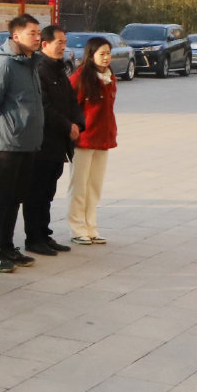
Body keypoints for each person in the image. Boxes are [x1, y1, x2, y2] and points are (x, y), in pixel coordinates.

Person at [0, 14, 44, 272]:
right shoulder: (5, 65)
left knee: (16, 197)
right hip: (7, 143)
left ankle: (6, 246)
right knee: (1, 197)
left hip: (27, 142)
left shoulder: (30, 63)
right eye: (32, 33)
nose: (37, 38)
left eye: (38, 33)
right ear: (16, 36)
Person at [23, 25, 79, 258]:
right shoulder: (39, 69)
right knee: (36, 192)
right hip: (42, 142)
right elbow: (43, 107)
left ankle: (44, 234)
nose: (63, 47)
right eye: (59, 42)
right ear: (45, 44)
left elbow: (71, 101)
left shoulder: (58, 69)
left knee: (48, 192)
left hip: (58, 143)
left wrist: (77, 123)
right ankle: (33, 238)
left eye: (65, 42)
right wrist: (67, 125)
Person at [68, 37, 118, 246]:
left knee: (95, 185)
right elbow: (70, 107)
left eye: (108, 53)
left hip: (103, 138)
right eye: (102, 54)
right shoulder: (80, 78)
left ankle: (91, 227)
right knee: (79, 186)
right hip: (84, 139)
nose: (106, 58)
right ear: (91, 55)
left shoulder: (110, 77)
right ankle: (78, 228)